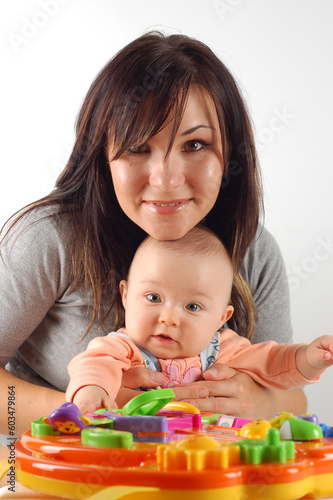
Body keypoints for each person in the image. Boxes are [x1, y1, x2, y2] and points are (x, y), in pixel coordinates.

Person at [0, 31, 307, 437]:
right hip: (50, 471)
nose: (165, 180)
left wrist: (261, 404)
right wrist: (92, 413)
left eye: (195, 144)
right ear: (101, 153)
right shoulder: (50, 240)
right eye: (138, 147)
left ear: (231, 152)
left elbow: (293, 398)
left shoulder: (253, 252)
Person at [67, 226, 333, 414]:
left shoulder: (224, 350)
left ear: (221, 318)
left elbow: (273, 363)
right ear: (125, 296)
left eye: (192, 306)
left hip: (209, 459)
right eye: (153, 298)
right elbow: (94, 364)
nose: (169, 317)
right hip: (138, 455)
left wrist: (308, 359)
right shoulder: (122, 348)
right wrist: (91, 391)